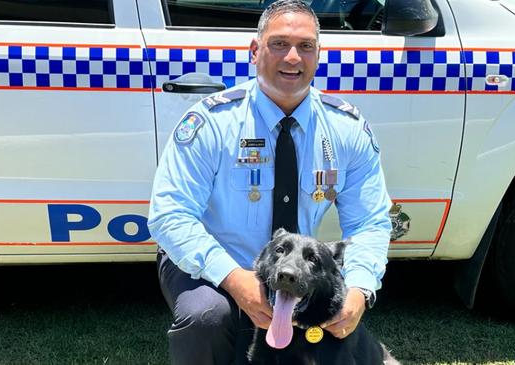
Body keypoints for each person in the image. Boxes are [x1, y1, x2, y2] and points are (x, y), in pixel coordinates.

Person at [147, 1, 392, 364]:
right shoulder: (213, 122)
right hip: (213, 262)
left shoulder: (345, 130)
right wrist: (233, 278)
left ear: (318, 55)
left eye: (305, 46)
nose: (293, 57)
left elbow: (370, 223)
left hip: (293, 271)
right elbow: (170, 215)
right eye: (279, 44)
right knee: (207, 316)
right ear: (254, 50)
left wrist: (359, 288)